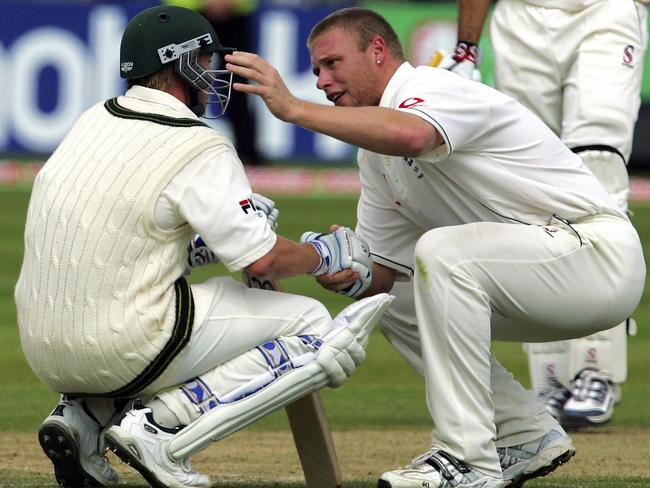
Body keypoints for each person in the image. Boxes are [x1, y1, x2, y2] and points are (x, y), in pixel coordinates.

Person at [224, 7, 646, 487]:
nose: (321, 80)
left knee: (442, 252)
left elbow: (415, 135)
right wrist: (323, 260)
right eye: (317, 70)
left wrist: (293, 107)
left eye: (332, 63)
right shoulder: (374, 156)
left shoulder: (435, 88)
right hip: (537, 275)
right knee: (391, 298)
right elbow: (382, 271)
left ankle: (467, 457)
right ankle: (521, 433)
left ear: (378, 51)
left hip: (596, 256)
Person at [14, 5, 393, 488]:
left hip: (42, 347)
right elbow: (263, 259)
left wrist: (209, 244)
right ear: (183, 65)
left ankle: (84, 419)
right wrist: (325, 254)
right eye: (207, 61)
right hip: (118, 343)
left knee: (162, 305)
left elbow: (129, 232)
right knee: (314, 326)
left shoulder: (92, 120)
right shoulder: (199, 144)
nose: (213, 73)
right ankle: (163, 426)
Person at [437, 0, 649, 429]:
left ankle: (596, 367)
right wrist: (466, 49)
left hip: (605, 11)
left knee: (598, 166)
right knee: (530, 187)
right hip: (521, 18)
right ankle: (550, 373)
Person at [164, 0, 266, 166]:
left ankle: (247, 149)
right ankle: (176, 146)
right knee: (181, 80)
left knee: (237, 82)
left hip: (220, 11)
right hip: (189, 10)